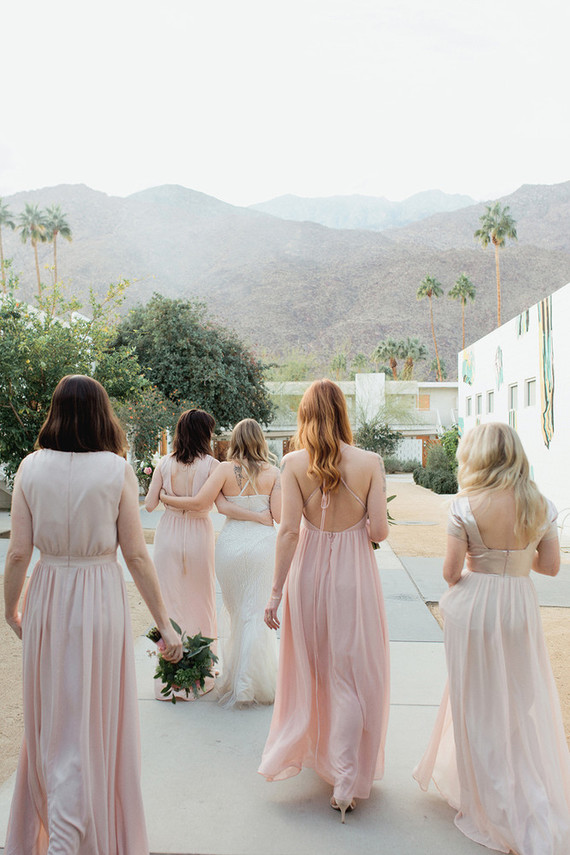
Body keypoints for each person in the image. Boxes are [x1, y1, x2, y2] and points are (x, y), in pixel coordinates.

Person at [3, 374, 182, 855]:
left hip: (47, 595)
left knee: (53, 718)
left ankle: (55, 827)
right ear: (102, 413)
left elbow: (18, 553)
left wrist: (10, 609)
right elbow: (137, 555)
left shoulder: (29, 467)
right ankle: (72, 835)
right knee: (91, 718)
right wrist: (165, 624)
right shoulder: (114, 468)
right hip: (99, 594)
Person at [413, 422, 570, 854]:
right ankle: (522, 791)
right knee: (518, 701)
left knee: (476, 702)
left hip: (475, 607)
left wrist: (482, 561)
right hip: (519, 607)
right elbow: (552, 567)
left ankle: (488, 796)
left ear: (477, 456)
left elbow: (449, 573)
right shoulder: (541, 505)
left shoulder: (465, 504)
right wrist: (516, 559)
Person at [258, 379, 390, 823]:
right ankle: (347, 782)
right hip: (354, 577)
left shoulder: (292, 463)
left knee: (315, 669)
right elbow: (379, 532)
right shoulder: (371, 462)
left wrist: (275, 593)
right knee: (349, 674)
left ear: (306, 415)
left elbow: (289, 531)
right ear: (342, 412)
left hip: (309, 576)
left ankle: (316, 754)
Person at [145, 408, 271, 700]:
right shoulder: (214, 465)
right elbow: (214, 505)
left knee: (169, 603)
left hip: (169, 534)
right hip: (198, 534)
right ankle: (199, 675)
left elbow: (150, 504)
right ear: (205, 434)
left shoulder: (164, 463)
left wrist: (165, 496)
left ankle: (171, 676)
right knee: (200, 601)